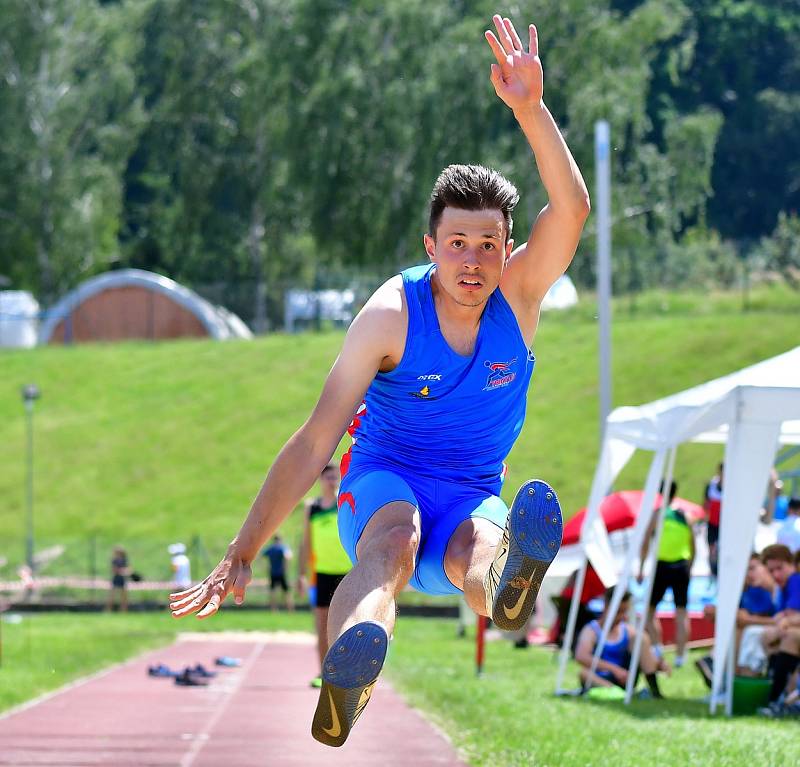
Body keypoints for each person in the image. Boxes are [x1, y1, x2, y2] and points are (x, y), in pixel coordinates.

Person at [170, 13, 589, 748]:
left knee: (475, 548)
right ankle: (347, 674)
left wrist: (530, 109)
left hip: (470, 486)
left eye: (488, 245)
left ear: (507, 251)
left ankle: (507, 587)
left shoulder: (519, 298)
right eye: (457, 242)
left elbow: (575, 209)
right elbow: (312, 444)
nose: (472, 259)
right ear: (432, 246)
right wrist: (242, 548)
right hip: (385, 479)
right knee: (395, 545)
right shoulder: (392, 312)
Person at [298, 464, 353, 686]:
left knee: (346, 625)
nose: (332, 481)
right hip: (321, 574)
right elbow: (306, 543)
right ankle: (323, 674)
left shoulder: (344, 503)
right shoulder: (312, 508)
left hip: (346, 573)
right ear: (321, 480)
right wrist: (301, 574)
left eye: (335, 477)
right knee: (322, 626)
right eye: (328, 477)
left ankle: (343, 672)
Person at [639, 480, 694, 667]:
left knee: (649, 611)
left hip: (662, 566)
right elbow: (693, 545)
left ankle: (656, 647)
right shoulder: (685, 516)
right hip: (681, 566)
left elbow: (645, 542)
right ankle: (680, 656)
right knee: (681, 613)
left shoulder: (658, 515)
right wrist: (690, 566)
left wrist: (640, 567)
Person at [574, 589, 665, 698]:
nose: (622, 616)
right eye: (618, 612)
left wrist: (659, 663)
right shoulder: (592, 630)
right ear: (606, 607)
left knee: (641, 638)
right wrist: (614, 669)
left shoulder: (627, 630)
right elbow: (581, 656)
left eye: (624, 611)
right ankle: (617, 693)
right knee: (584, 674)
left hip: (625, 678)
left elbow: (646, 655)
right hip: (601, 678)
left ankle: (655, 691)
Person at [759, 544, 800, 708]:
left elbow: (789, 616)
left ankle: (776, 699)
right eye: (771, 571)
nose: (776, 574)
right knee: (772, 636)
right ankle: (780, 697)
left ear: (791, 564)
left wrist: (785, 622)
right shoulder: (784, 587)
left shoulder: (795, 580)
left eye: (780, 568)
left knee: (786, 636)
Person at [263, 535, 294, 611]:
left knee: (273, 591)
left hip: (273, 572)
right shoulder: (282, 548)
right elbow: (288, 556)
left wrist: (265, 567)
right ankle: (290, 609)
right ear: (280, 540)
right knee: (286, 591)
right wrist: (286, 566)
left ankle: (273, 609)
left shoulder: (271, 548)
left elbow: (261, 556)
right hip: (281, 572)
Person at [703, 462, 723, 580]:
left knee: (722, 550)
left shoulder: (731, 486)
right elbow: (706, 503)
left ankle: (720, 572)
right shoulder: (712, 485)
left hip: (725, 526)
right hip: (712, 523)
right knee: (711, 550)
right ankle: (712, 572)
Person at [107, 545, 130, 612]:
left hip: (122, 579)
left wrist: (124, 571)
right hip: (116, 578)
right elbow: (114, 570)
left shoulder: (124, 560)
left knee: (124, 595)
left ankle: (124, 610)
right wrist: (123, 571)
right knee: (112, 595)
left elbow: (129, 569)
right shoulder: (114, 560)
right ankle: (108, 609)